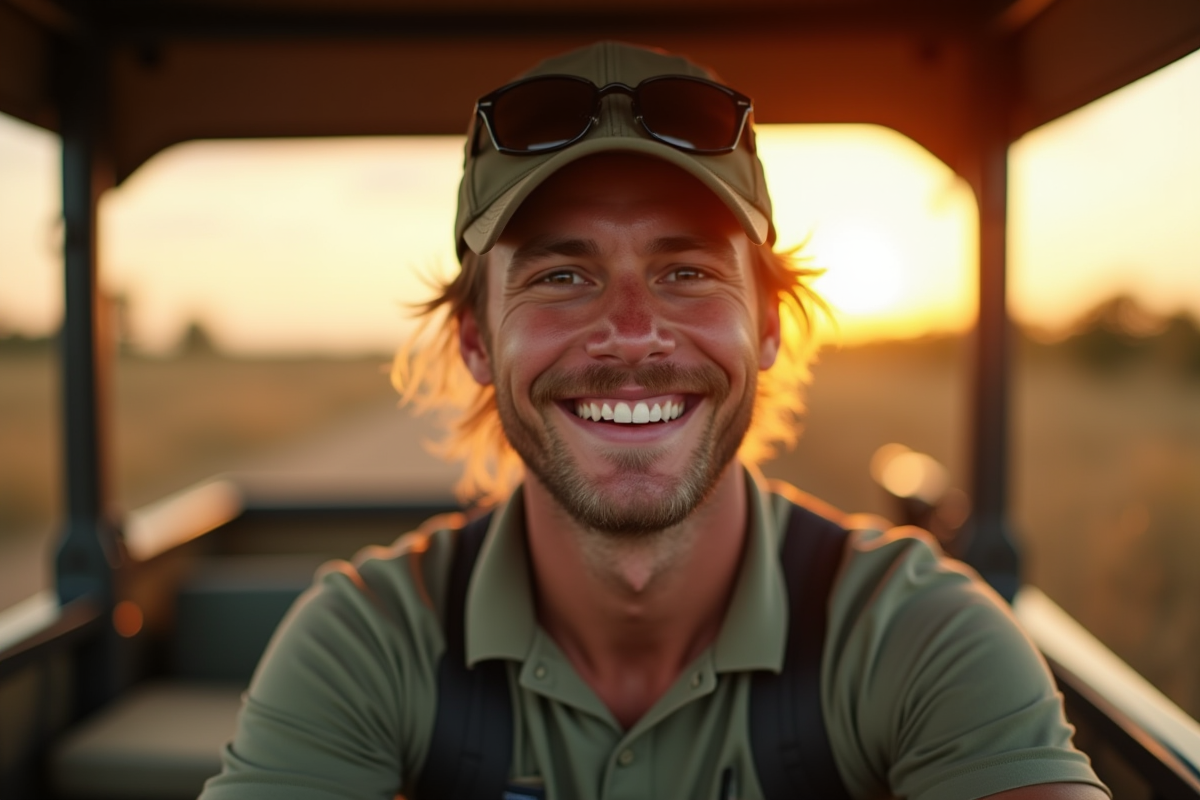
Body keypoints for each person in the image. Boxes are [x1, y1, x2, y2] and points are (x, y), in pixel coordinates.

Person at [201, 42, 1110, 800]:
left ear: (764, 328)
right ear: (478, 340)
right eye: (562, 276)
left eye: (687, 273)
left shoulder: (917, 639)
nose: (631, 334)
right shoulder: (367, 643)